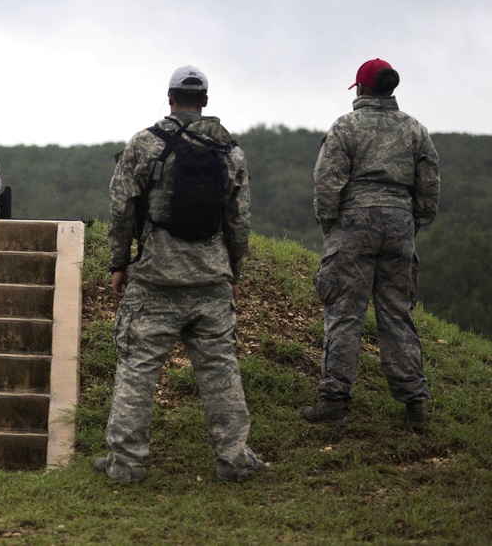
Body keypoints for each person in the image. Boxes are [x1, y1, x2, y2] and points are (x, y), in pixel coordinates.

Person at [94, 65, 264, 483]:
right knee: (221, 370)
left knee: (138, 370)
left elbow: (120, 210)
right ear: (205, 101)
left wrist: (119, 263)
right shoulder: (231, 153)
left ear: (169, 98)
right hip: (210, 280)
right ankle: (235, 459)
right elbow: (239, 223)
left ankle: (126, 464)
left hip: (155, 279)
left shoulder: (144, 145)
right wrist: (233, 271)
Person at [304, 58, 440, 430]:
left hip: (353, 224)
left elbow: (327, 183)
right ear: (390, 88)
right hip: (400, 224)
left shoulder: (346, 127)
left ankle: (333, 401)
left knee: (344, 312)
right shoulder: (415, 130)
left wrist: (332, 226)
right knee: (398, 314)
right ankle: (415, 406)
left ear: (361, 89)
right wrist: (413, 223)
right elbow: (429, 187)